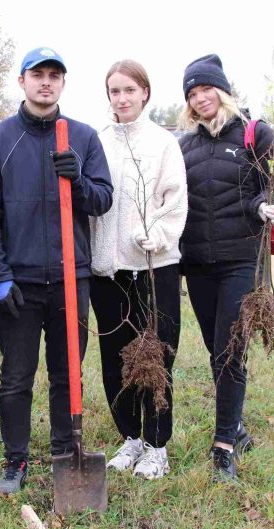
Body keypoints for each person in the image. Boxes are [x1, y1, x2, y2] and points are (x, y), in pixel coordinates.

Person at [0, 47, 113, 494]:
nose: (46, 82)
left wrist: (79, 180)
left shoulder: (83, 138)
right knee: (16, 374)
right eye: (38, 74)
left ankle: (61, 451)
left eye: (54, 75)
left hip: (73, 280)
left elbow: (103, 199)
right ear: (22, 81)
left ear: (63, 84)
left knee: (67, 372)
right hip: (20, 281)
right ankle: (15, 460)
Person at [178, 55, 274, 481]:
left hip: (241, 258)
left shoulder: (256, 134)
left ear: (223, 91)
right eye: (192, 92)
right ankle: (235, 425)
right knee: (214, 348)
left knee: (230, 348)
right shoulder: (184, 146)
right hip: (198, 263)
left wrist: (262, 205)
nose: (201, 97)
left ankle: (223, 445)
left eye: (207, 88)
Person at [89, 60, 187, 480]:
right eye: (114, 91)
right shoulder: (96, 142)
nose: (122, 98)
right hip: (107, 271)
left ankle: (156, 445)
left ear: (145, 93)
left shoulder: (163, 143)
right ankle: (130, 436)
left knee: (155, 357)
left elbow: (175, 199)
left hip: (152, 269)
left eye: (130, 90)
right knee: (116, 360)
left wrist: (159, 234)